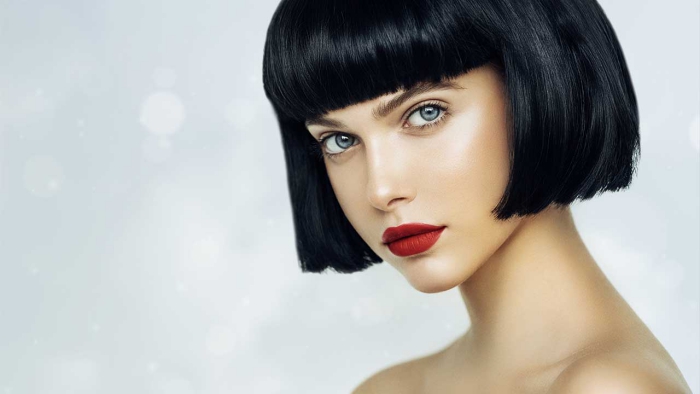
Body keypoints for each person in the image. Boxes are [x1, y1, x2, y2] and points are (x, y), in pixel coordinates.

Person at [261, 0, 692, 392]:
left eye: (426, 113)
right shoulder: (388, 390)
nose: (381, 189)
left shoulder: (610, 387)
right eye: (339, 141)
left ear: (539, 82)